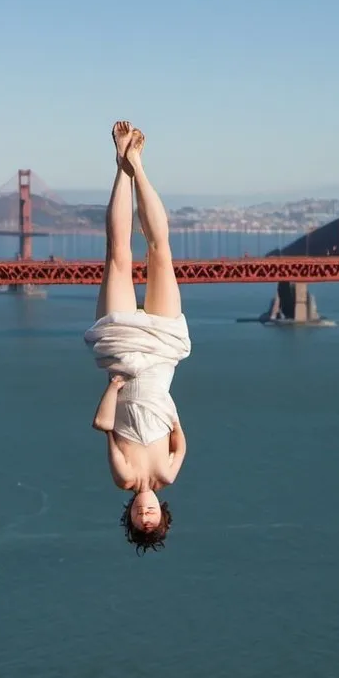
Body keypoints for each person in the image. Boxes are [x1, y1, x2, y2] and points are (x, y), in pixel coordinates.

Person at [84, 122, 191, 554]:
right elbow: (179, 434)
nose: (145, 515)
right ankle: (138, 168)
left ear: (129, 512)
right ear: (162, 510)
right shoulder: (169, 472)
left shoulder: (124, 478)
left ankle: (119, 166)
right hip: (162, 359)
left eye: (138, 519)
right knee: (161, 252)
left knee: (119, 253)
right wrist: (162, 398)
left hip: (124, 355)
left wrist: (114, 384)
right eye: (153, 518)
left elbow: (103, 426)